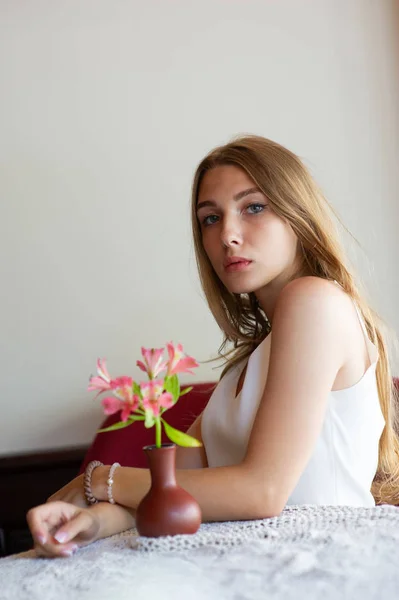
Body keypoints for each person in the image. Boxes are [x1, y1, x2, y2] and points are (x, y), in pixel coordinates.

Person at [27, 135, 399, 558]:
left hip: (323, 563)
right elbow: (174, 493)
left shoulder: (314, 300)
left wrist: (95, 481)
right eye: (210, 218)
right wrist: (94, 519)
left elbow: (263, 490)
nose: (228, 235)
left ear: (298, 214)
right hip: (251, 562)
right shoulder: (242, 372)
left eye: (253, 207)